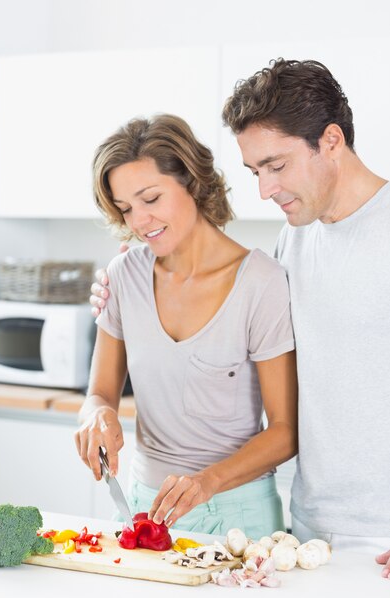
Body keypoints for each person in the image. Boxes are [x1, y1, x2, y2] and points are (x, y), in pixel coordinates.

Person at [91, 59, 390, 578]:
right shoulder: (295, 239)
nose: (265, 189)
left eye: (277, 165)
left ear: (332, 140)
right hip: (309, 526)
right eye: (255, 171)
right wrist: (114, 291)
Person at [76, 113, 298, 538]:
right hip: (143, 509)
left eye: (151, 199)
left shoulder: (260, 283)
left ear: (192, 182)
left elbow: (286, 432)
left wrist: (208, 481)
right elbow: (99, 393)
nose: (139, 221)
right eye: (125, 208)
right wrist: (97, 416)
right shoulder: (123, 276)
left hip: (237, 515)